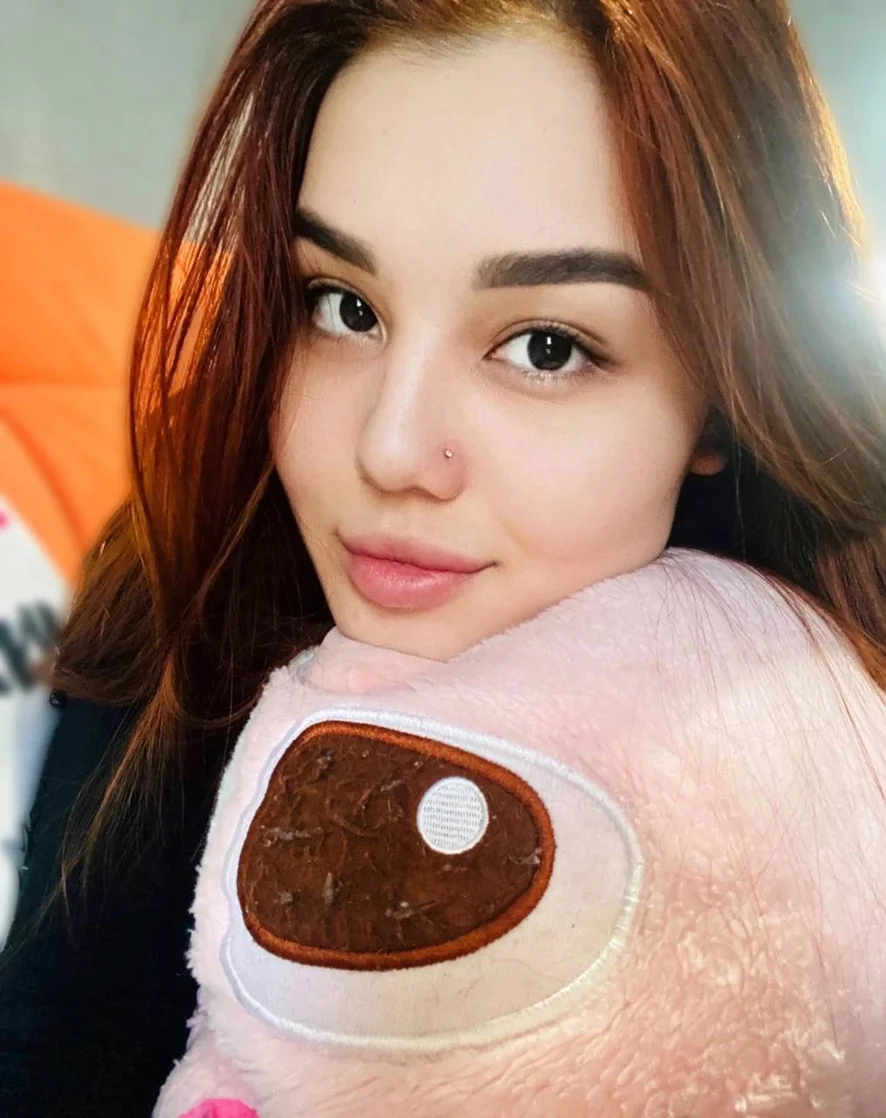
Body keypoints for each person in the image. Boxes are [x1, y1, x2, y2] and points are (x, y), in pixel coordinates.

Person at [2, 0, 885, 1114]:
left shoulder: (832, 756)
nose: (390, 448)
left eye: (546, 347)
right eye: (342, 307)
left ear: (727, 388)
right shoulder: (182, 577)